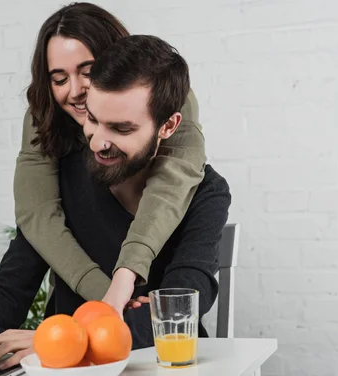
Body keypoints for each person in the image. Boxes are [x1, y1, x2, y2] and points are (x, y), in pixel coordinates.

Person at [0, 34, 231, 370]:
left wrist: (60, 341)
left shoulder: (206, 191)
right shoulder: (58, 186)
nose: (99, 143)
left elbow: (178, 313)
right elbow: (11, 287)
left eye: (121, 129)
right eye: (93, 119)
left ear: (169, 126)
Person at [13, 2, 207, 314]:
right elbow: (37, 216)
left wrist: (124, 279)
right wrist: (109, 300)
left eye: (87, 72)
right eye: (59, 79)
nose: (75, 91)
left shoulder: (169, 98)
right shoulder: (45, 115)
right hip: (91, 310)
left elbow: (169, 189)